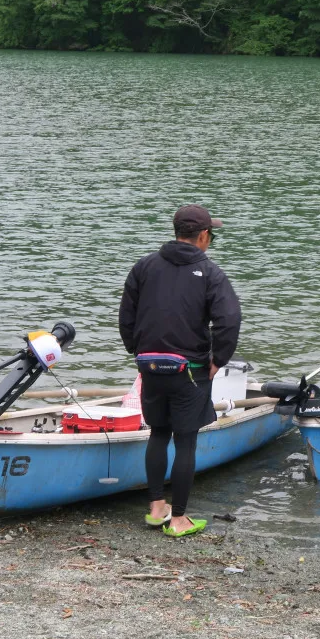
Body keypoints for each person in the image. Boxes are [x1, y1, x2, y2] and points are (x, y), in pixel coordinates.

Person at [118, 204, 241, 538]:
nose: (210, 240)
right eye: (211, 235)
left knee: (158, 432)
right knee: (185, 441)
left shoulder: (143, 266)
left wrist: (137, 351)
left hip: (150, 366)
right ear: (202, 236)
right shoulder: (210, 272)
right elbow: (229, 319)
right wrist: (219, 359)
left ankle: (157, 508)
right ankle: (180, 519)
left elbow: (126, 315)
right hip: (191, 369)